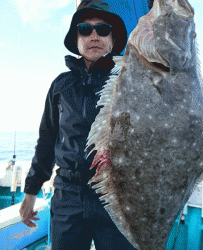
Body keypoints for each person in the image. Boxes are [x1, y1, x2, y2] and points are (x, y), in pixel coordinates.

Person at [19, 0, 136, 249]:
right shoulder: (59, 86)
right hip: (67, 195)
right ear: (77, 39)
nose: (94, 35)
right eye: (85, 29)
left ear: (113, 41)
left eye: (103, 30)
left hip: (115, 194)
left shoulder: (131, 82)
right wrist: (31, 191)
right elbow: (47, 141)